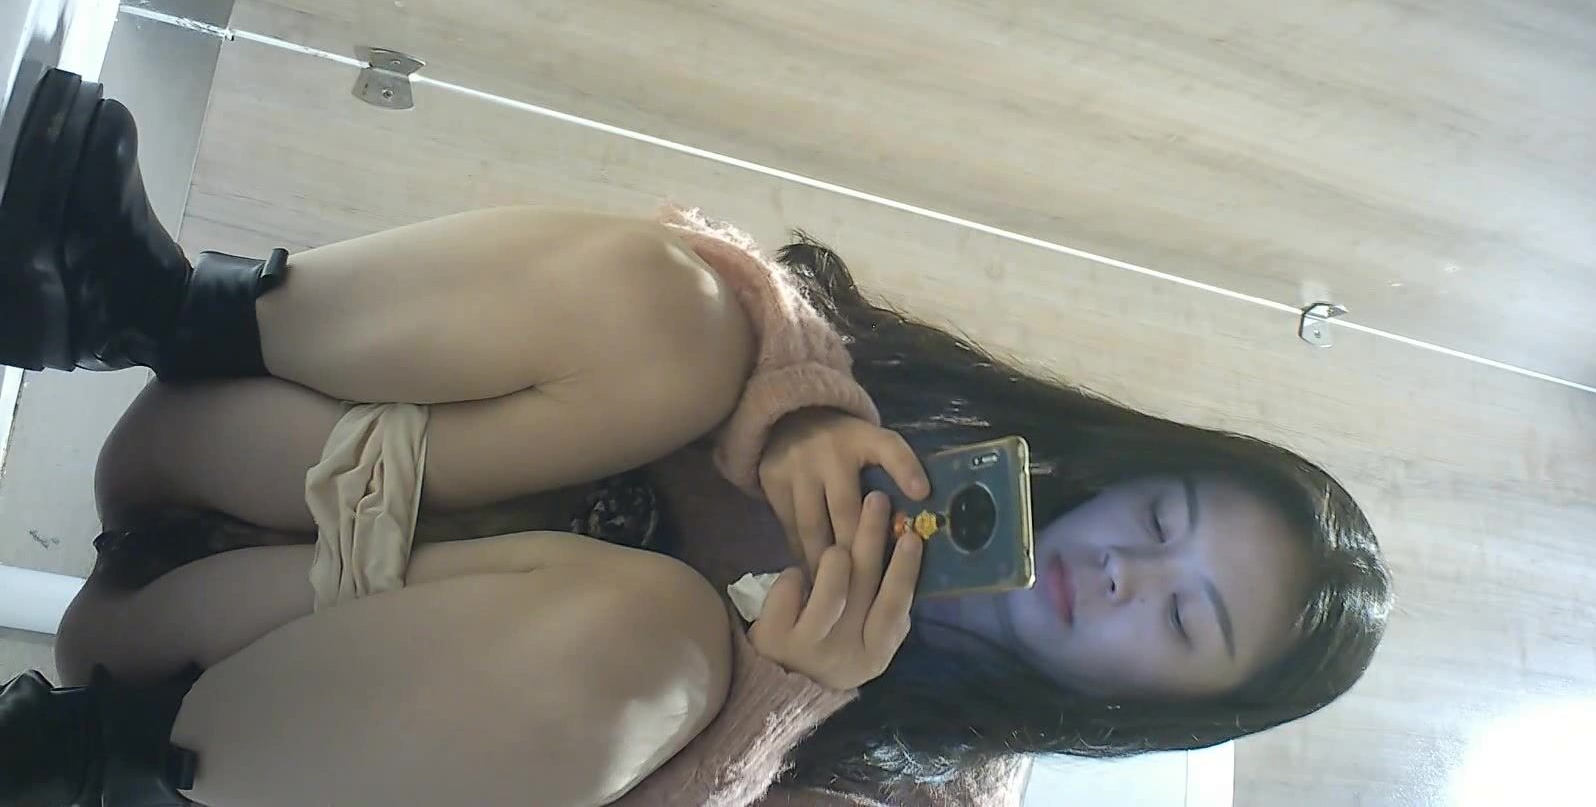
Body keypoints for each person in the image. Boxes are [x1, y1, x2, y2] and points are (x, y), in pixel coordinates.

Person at [0, 70, 1392, 807]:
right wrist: (799, 398)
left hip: (200, 695)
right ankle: (126, 298)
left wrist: (775, 704)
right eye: (1161, 521)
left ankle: (69, 781)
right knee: (696, 323)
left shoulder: (937, 795)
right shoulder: (920, 426)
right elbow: (694, 241)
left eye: (1184, 620)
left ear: (1156, 709)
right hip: (237, 437)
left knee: (662, 648)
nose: (1127, 573)